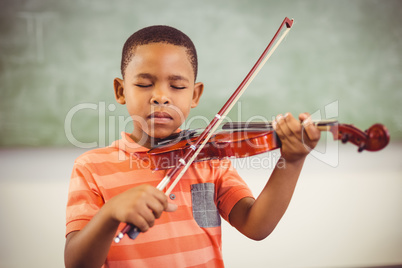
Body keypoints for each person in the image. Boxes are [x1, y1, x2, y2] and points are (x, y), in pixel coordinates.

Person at [64, 25, 321, 268]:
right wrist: (110, 213)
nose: (161, 96)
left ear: (195, 95)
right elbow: (76, 263)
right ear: (120, 91)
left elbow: (256, 226)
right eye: (144, 84)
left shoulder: (210, 160)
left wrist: (293, 161)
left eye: (177, 86)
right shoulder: (92, 167)